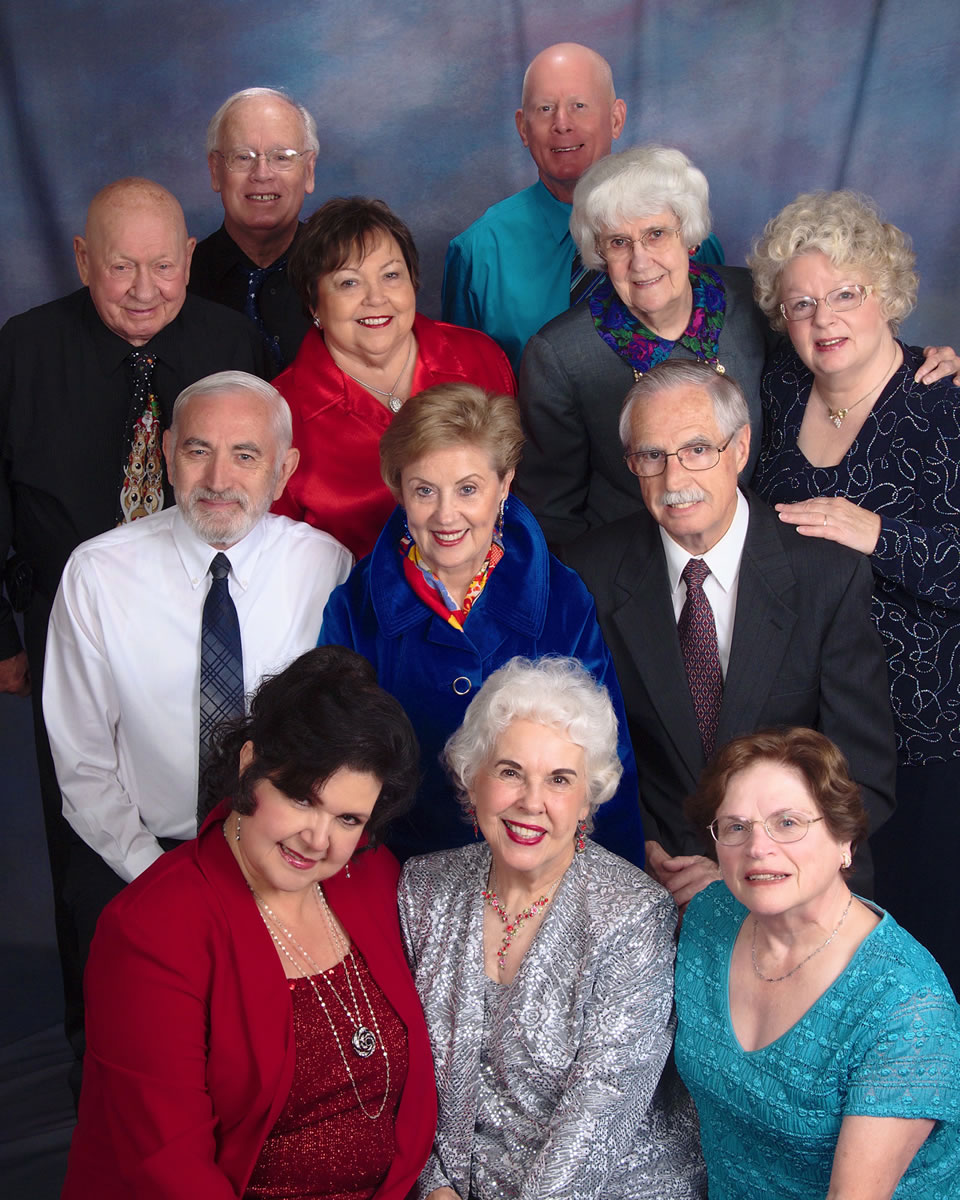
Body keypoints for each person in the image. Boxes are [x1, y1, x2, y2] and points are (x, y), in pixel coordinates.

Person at [0, 177, 267, 1084]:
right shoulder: (24, 348)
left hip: (201, 612)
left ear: (190, 258)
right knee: (84, 825)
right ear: (83, 262)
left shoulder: (231, 342)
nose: (146, 288)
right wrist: (5, 632)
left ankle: (229, 1042)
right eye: (121, 268)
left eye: (164, 265)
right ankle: (102, 1055)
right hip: (59, 622)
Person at [62, 644, 437, 1199]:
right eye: (303, 800)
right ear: (249, 765)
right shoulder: (151, 931)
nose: (319, 839)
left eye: (349, 818)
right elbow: (169, 1170)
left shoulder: (371, 875)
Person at [43, 371, 351, 995]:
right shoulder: (97, 573)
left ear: (284, 468)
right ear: (166, 454)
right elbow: (82, 761)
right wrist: (156, 874)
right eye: (197, 451)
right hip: (140, 858)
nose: (218, 480)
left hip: (288, 862)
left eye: (245, 455)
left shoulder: (326, 565)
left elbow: (340, 740)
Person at [560, 360, 896, 907]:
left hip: (795, 885)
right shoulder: (587, 575)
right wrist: (628, 846)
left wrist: (738, 867)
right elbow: (573, 756)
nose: (674, 481)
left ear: (739, 449)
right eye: (651, 456)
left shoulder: (825, 573)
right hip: (646, 883)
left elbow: (864, 780)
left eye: (697, 450)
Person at [515, 147, 957, 547]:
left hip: (760, 559)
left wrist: (929, 362)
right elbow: (552, 516)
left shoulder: (750, 300)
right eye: (618, 242)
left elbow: (840, 342)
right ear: (598, 253)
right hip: (637, 569)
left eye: (656, 234)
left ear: (689, 237)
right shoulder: (558, 355)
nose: (641, 260)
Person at [749, 190, 960, 994]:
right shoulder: (779, 392)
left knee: (927, 952)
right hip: (814, 729)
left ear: (888, 295)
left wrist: (876, 534)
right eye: (801, 303)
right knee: (835, 959)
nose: (824, 318)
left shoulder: (943, 405)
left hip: (928, 736)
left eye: (846, 294)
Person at [400, 656, 705, 1200]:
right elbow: (404, 1073)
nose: (531, 802)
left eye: (559, 780)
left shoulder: (634, 914)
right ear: (473, 778)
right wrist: (435, 1185)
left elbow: (602, 1107)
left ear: (589, 799)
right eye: (511, 771)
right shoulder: (422, 890)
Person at [319, 381, 645, 866]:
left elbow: (604, 756)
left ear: (504, 485)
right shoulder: (353, 606)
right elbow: (334, 767)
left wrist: (620, 882)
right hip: (399, 870)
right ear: (400, 492)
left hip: (541, 869)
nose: (446, 515)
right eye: (424, 490)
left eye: (468, 489)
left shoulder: (563, 597)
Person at [675, 727, 960, 1200]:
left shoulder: (908, 1009)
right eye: (736, 827)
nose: (757, 848)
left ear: (844, 838)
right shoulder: (710, 915)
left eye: (787, 823)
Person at [441, 43, 723, 373]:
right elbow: (464, 393)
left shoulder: (684, 237)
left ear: (616, 119)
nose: (562, 123)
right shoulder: (478, 252)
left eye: (579, 105)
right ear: (522, 128)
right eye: (545, 109)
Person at [270, 196, 516, 559]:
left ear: (412, 281)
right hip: (349, 608)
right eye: (349, 283)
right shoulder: (279, 412)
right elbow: (275, 556)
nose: (375, 298)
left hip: (490, 594)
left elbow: (520, 492)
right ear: (313, 303)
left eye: (390, 275)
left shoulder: (478, 358)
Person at [189, 87, 319, 371]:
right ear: (215, 171)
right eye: (242, 157)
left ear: (308, 171)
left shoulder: (347, 272)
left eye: (282, 157)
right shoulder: (178, 283)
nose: (261, 173)